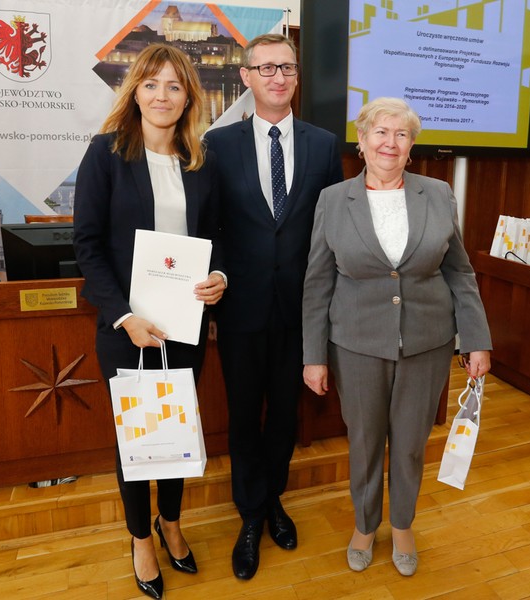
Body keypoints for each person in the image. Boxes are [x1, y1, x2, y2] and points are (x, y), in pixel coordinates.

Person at [301, 97, 492, 577]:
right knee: (365, 443)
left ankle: (403, 525)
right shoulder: (332, 200)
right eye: (380, 133)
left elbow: (460, 272)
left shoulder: (438, 194)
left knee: (409, 443)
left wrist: (476, 339)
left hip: (427, 342)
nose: (390, 142)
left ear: (411, 147)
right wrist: (313, 355)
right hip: (356, 344)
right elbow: (318, 282)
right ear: (362, 142)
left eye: (401, 134)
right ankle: (365, 526)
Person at [73, 44, 226, 600]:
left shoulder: (201, 163)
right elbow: (87, 245)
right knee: (137, 439)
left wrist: (220, 277)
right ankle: (141, 538)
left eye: (175, 86)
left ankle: (172, 522)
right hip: (127, 330)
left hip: (184, 327)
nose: (163, 96)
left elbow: (218, 240)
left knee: (177, 432)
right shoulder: (107, 153)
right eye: (152, 84)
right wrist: (123, 315)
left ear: (189, 98)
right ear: (135, 91)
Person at [203, 33, 344, 580]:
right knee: (243, 418)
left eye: (286, 67)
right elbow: (210, 227)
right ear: (246, 77)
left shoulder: (322, 144)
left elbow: (331, 228)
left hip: (300, 310)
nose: (277, 77)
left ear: (297, 76)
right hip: (240, 309)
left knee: (285, 417)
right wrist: (216, 277)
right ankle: (249, 515)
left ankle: (273, 500)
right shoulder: (219, 143)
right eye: (265, 68)